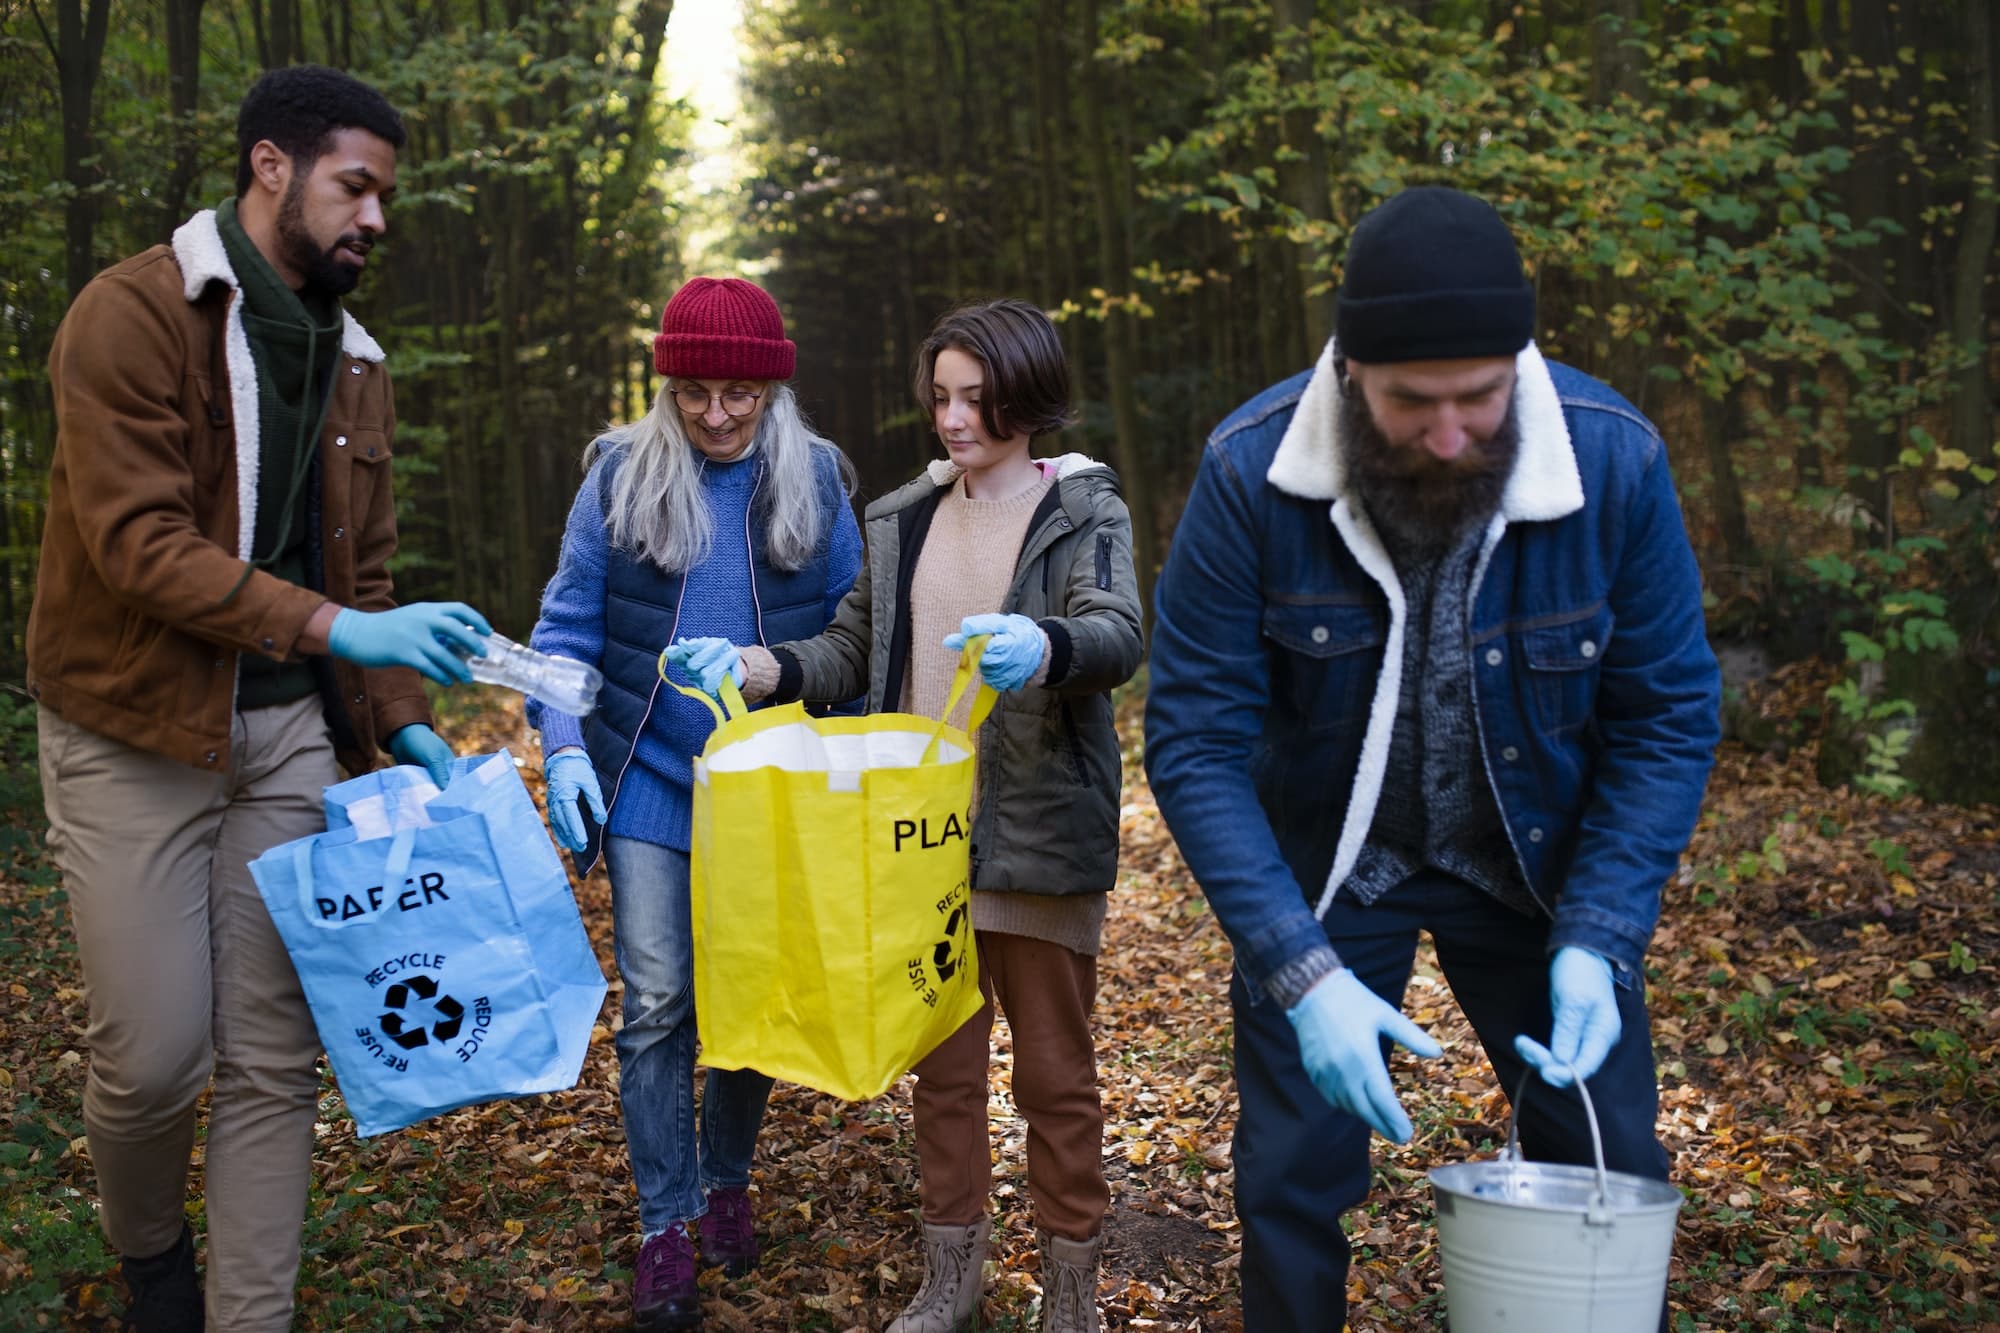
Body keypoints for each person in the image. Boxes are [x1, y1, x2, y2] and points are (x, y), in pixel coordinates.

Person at [1143, 186, 1722, 1330]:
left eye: (1479, 396)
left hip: (1531, 869)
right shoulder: (1245, 473)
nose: (1451, 432)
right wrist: (1297, 974)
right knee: (1288, 1178)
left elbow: (1665, 714)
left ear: (1519, 362)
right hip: (1329, 869)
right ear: (1350, 371)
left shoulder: (1612, 462)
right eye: (1415, 402)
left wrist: (1598, 939)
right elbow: (1194, 739)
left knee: (1601, 1153)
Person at [26, 65, 493, 1332]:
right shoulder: (130, 314)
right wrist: (346, 622)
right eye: (357, 185)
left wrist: (400, 723)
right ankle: (147, 1246)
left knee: (276, 1057)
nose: (376, 219)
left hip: (291, 732)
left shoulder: (355, 360)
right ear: (271, 169)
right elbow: (139, 545)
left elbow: (367, 576)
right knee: (154, 1060)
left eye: (386, 195)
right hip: (129, 725)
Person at [668, 297, 1143, 1333]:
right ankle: (950, 1276)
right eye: (939, 397)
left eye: (975, 397)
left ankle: (1070, 1292)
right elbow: (847, 650)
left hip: (1037, 833)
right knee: (944, 1076)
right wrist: (752, 667)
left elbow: (1115, 631)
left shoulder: (1083, 509)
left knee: (1057, 1079)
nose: (954, 419)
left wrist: (1046, 647)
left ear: (1026, 392)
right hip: (918, 844)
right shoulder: (900, 518)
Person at [526, 276, 863, 1331]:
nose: (717, 415)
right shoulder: (619, 476)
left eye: (740, 396)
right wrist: (565, 748)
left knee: (748, 1002)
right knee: (661, 999)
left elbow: (857, 638)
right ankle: (662, 1221)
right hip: (646, 777)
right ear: (665, 388)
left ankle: (727, 1178)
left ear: (774, 391)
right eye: (694, 393)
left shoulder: (815, 477)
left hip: (764, 785)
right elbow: (564, 627)